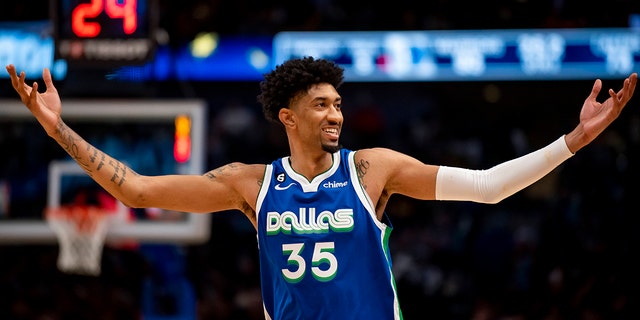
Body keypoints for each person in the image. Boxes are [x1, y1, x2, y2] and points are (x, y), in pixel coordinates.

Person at [5, 57, 637, 319]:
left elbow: (489, 187)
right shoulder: (250, 184)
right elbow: (138, 191)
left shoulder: (373, 169)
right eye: (323, 105)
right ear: (289, 115)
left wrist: (576, 139)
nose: (337, 115)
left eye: (340, 105)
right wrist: (59, 129)